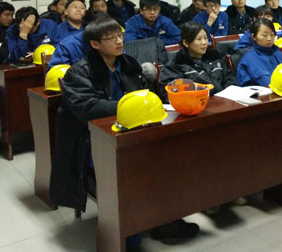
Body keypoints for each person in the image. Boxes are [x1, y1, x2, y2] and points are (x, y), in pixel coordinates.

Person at [49, 17, 199, 244]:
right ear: (95, 44)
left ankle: (164, 220)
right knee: (135, 169)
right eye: (111, 38)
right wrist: (129, 106)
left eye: (120, 35)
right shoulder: (79, 72)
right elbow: (87, 108)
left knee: (173, 157)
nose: (119, 41)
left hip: (134, 132)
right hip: (95, 141)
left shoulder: (129, 64)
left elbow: (144, 95)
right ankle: (128, 233)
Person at [0, 6, 55, 161]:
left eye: (31, 27)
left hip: (44, 74)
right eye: (23, 26)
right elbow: (17, 56)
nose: (27, 28)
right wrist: (23, 35)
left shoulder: (50, 26)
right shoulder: (13, 30)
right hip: (14, 74)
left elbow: (58, 48)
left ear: (38, 22)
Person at [159, 22, 237, 101]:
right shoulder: (176, 64)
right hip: (196, 104)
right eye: (199, 39)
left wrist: (227, 94)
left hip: (224, 102)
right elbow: (170, 93)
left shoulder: (216, 57)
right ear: (186, 43)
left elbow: (230, 79)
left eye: (205, 38)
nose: (204, 42)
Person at [237, 18, 282, 86]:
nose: (269, 39)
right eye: (264, 35)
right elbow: (265, 82)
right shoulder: (250, 58)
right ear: (253, 37)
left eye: (272, 35)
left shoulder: (280, 55)